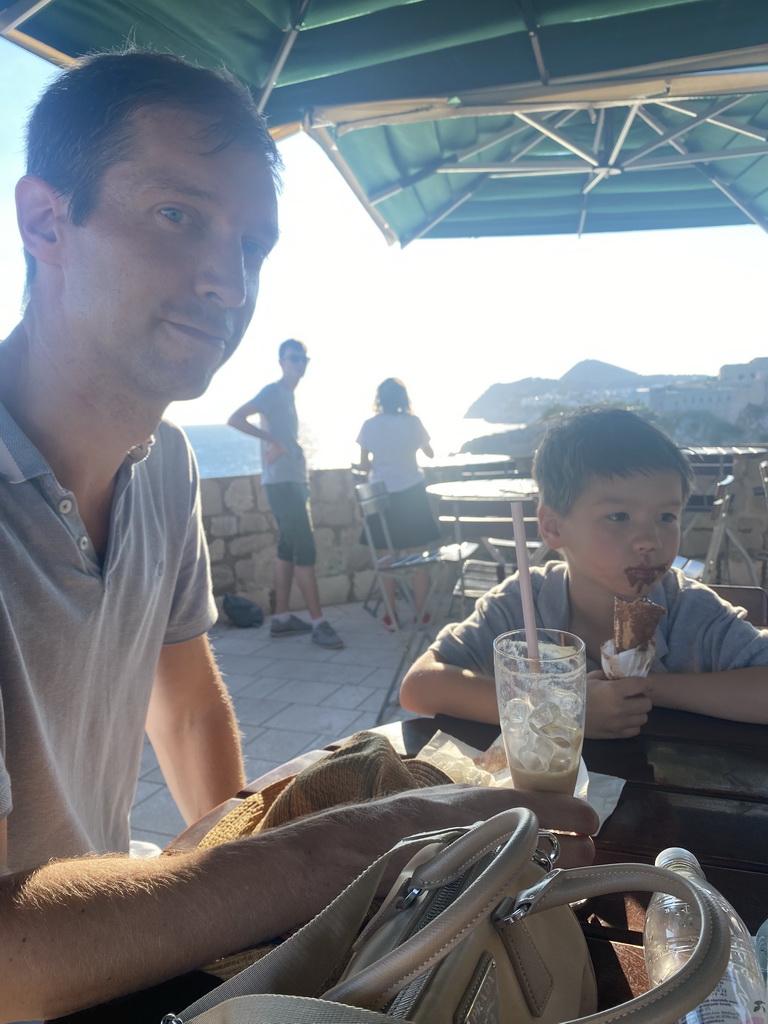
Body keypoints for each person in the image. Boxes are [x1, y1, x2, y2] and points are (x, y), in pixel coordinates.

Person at [0, 48, 598, 1021]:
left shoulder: (164, 465)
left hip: (112, 947)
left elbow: (186, 707)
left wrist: (256, 909)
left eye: (251, 245)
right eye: (177, 214)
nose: (228, 283)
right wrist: (336, 850)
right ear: (44, 218)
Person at [401, 408, 768, 739]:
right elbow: (420, 686)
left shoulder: (690, 611)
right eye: (619, 517)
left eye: (666, 517)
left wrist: (643, 687)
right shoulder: (523, 602)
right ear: (554, 527)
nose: (649, 540)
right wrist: (564, 708)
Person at [228, 339, 344, 649]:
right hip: (283, 484)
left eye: (303, 359)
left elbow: (283, 438)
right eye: (293, 358)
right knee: (304, 550)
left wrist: (288, 446)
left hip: (290, 482)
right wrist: (273, 441)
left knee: (287, 549)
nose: (299, 364)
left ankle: (281, 619)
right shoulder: (273, 392)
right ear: (281, 361)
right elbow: (236, 418)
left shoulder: (288, 397)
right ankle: (319, 622)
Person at [357, 378, 440, 629]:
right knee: (418, 557)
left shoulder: (369, 425)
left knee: (385, 559)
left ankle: (390, 615)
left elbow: (363, 465)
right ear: (404, 398)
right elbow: (430, 453)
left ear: (379, 399)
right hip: (412, 494)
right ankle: (421, 612)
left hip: (382, 497)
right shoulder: (413, 423)